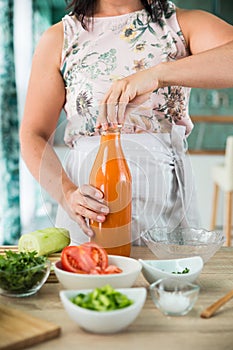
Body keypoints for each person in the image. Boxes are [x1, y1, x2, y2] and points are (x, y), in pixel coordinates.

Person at [20, 0, 233, 246]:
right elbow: (33, 134)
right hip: (88, 207)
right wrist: (66, 193)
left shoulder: (179, 24)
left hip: (165, 206)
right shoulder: (60, 37)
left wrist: (156, 75)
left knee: (165, 281)